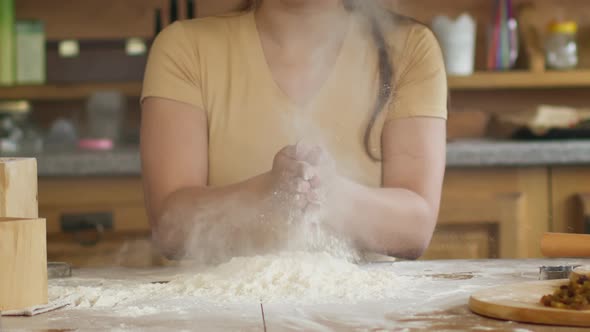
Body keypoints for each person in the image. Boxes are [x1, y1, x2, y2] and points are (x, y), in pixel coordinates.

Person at [140, 0, 447, 262]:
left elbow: (415, 227)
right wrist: (265, 196)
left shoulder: (409, 49)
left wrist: (332, 196)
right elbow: (170, 228)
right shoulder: (185, 48)